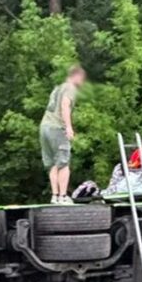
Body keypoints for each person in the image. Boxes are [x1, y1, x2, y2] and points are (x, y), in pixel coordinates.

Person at [40, 65, 87, 204]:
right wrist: (69, 127)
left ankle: (55, 196)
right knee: (64, 163)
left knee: (53, 163)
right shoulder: (70, 88)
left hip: (44, 127)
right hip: (56, 128)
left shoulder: (57, 88)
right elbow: (65, 106)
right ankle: (63, 196)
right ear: (76, 76)